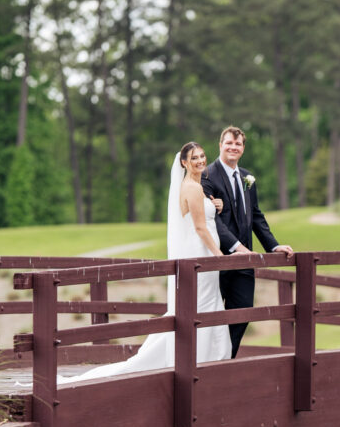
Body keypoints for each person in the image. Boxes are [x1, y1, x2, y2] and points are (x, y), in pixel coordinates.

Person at [61, 143, 231, 382]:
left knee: (206, 303)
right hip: (201, 253)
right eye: (194, 158)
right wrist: (219, 255)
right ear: (184, 162)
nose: (201, 161)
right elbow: (200, 227)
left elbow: (202, 216)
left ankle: (208, 357)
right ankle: (200, 357)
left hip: (203, 252)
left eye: (202, 156)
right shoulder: (192, 188)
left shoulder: (197, 187)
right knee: (200, 304)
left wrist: (216, 206)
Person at [202, 125, 293, 357]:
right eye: (229, 143)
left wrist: (273, 245)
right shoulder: (207, 176)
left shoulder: (247, 177)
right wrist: (237, 247)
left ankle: (224, 358)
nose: (234, 147)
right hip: (218, 259)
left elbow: (256, 215)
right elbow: (213, 221)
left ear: (243, 148)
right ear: (220, 145)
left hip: (245, 261)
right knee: (209, 315)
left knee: (243, 312)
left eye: (238, 144)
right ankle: (204, 360)